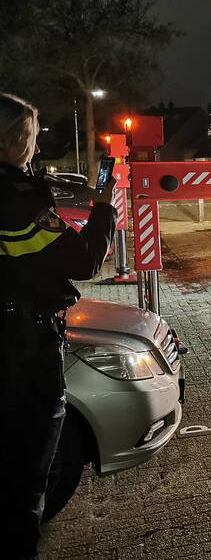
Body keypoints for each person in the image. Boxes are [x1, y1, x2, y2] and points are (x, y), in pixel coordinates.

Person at [0, 94, 116, 559]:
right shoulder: (18, 199)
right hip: (22, 346)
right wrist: (104, 207)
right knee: (26, 471)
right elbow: (83, 261)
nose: (34, 147)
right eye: (31, 137)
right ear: (13, 141)